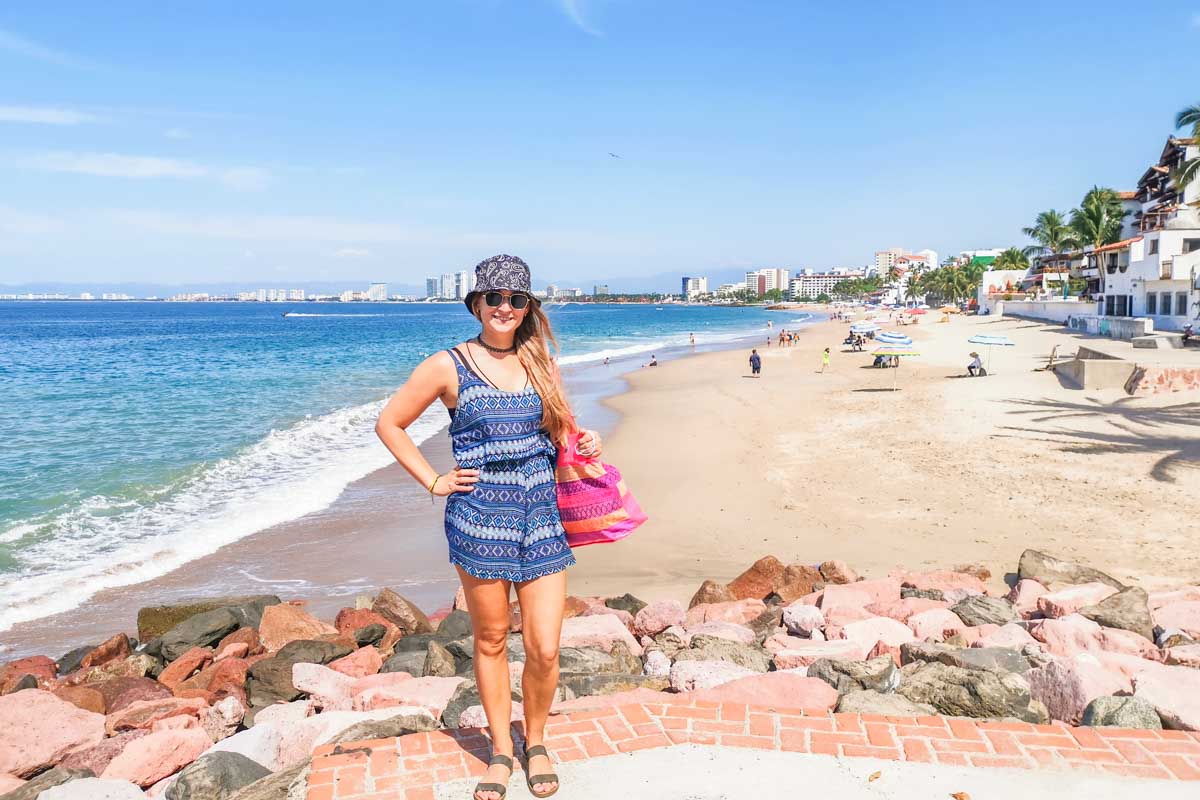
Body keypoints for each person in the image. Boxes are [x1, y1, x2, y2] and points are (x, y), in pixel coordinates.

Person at [375, 254, 599, 800]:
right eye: (494, 298)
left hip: (541, 513)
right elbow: (390, 423)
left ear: (528, 309)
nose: (505, 308)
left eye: (516, 300)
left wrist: (585, 438)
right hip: (479, 516)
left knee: (546, 647)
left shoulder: (540, 360)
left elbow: (562, 425)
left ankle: (537, 740)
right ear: (477, 304)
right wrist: (433, 481)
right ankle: (502, 750)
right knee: (493, 638)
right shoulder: (447, 365)